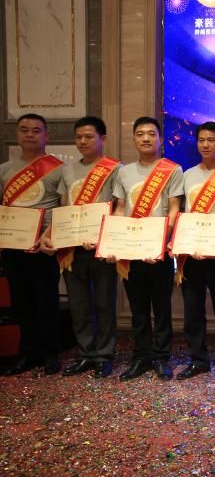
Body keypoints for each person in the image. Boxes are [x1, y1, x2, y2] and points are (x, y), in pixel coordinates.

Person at [108, 116, 183, 381]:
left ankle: (161, 357)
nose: (146, 138)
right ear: (133, 140)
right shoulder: (124, 172)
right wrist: (113, 241)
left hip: (158, 251)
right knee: (137, 308)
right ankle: (141, 356)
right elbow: (119, 208)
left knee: (161, 307)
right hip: (131, 250)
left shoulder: (172, 170)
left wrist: (161, 244)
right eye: (140, 134)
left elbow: (174, 209)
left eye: (151, 133)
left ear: (160, 139)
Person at [46, 117, 121, 379]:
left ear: (103, 139)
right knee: (78, 305)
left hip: (100, 247)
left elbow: (119, 208)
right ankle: (86, 353)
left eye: (89, 136)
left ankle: (104, 355)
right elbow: (63, 207)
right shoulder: (67, 171)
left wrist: (106, 238)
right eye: (78, 137)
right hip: (72, 247)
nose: (83, 141)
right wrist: (51, 235)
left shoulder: (115, 170)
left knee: (104, 304)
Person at [175, 122, 215, 381]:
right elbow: (181, 213)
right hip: (191, 254)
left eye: (211, 140)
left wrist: (213, 243)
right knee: (192, 310)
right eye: (201, 140)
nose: (205, 144)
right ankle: (198, 359)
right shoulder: (187, 175)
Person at [0, 114, 64, 375]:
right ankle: (27, 352)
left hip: (43, 246)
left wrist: (48, 234)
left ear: (46, 135)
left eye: (36, 130)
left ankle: (50, 353)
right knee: (21, 302)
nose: (29, 135)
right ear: (17, 134)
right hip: (13, 245)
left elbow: (63, 208)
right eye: (24, 130)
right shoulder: (4, 170)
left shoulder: (58, 169)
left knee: (46, 300)